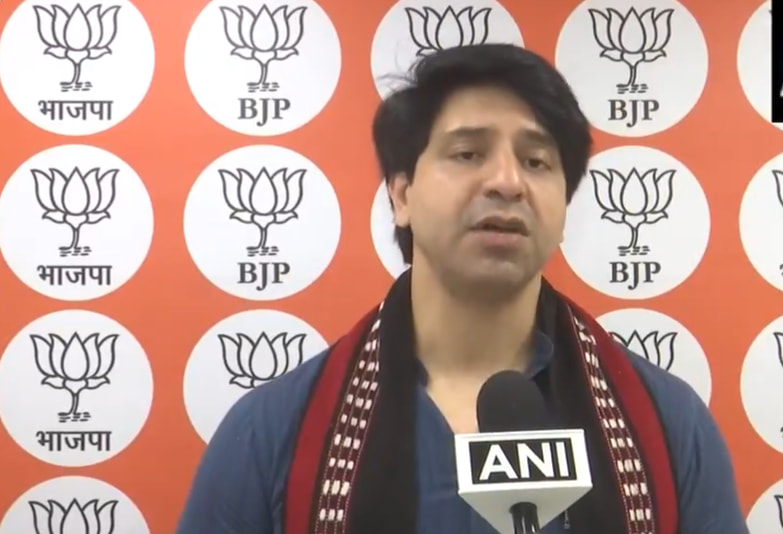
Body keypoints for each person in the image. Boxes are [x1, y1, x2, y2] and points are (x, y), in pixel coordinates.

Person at [174, 43, 748, 534]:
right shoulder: (274, 432)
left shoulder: (668, 427)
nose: (507, 182)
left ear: (564, 206)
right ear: (402, 194)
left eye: (537, 161)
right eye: (468, 153)